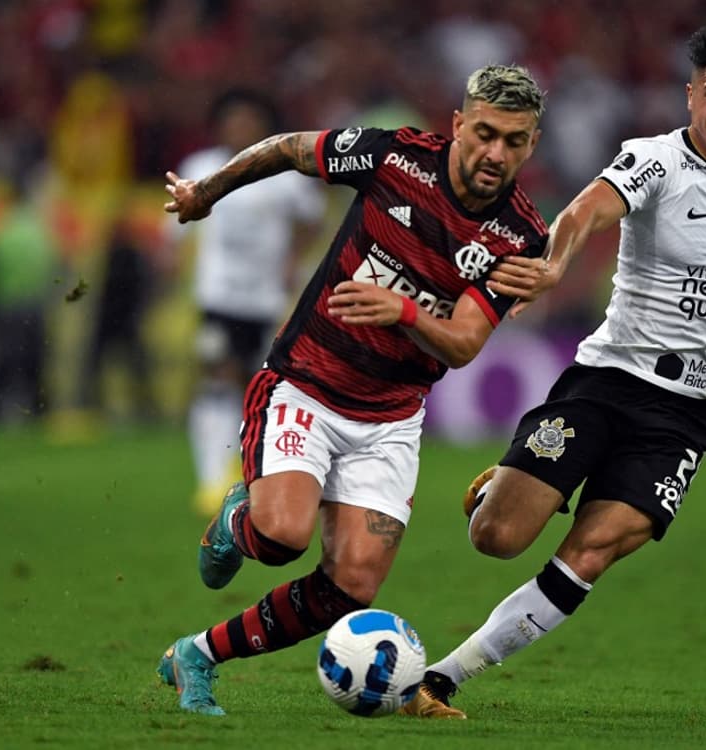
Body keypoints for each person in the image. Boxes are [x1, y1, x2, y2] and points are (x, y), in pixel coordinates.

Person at [399, 24, 706, 719]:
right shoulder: (656, 161)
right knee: (495, 539)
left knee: (591, 554)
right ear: (691, 96)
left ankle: (443, 679)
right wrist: (558, 262)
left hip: (685, 413)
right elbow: (586, 210)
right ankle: (511, 484)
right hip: (610, 379)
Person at [154, 64, 552, 716]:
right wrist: (208, 191)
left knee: (353, 584)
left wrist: (400, 311)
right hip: (307, 384)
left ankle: (197, 654)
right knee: (281, 535)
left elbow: (462, 343)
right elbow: (287, 148)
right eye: (483, 134)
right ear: (458, 125)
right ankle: (239, 518)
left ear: (531, 144)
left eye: (513, 141)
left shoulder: (519, 236)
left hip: (391, 419)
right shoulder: (394, 157)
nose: (494, 153)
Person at [167, 88, 326, 516]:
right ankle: (209, 479)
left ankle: (247, 472)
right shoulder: (201, 167)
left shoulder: (285, 176)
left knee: (258, 387)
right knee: (216, 377)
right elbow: (178, 223)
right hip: (218, 294)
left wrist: (295, 260)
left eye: (248, 120)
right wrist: (171, 256)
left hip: (266, 300)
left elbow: (312, 219)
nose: (240, 127)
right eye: (233, 119)